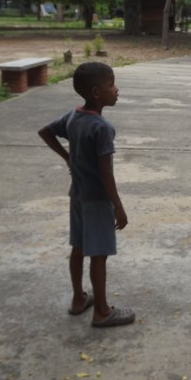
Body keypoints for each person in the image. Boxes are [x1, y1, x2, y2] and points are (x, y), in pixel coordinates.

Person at [38, 62, 135, 328]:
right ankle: (102, 311)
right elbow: (106, 174)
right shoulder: (102, 128)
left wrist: (68, 157)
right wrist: (118, 206)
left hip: (77, 196)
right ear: (96, 92)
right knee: (99, 254)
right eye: (111, 84)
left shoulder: (73, 117)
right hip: (97, 200)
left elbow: (45, 132)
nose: (117, 89)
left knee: (78, 248)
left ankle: (78, 299)